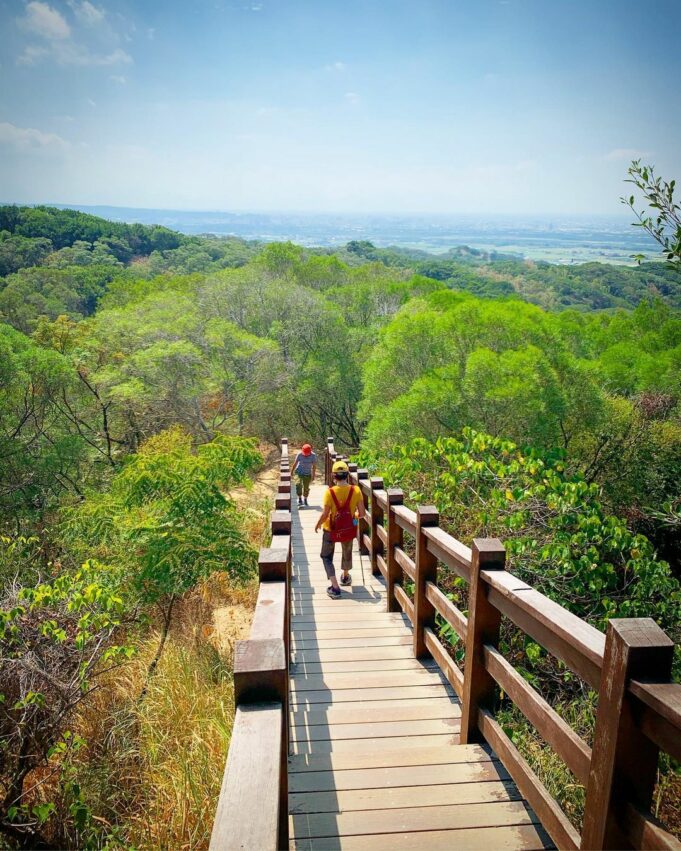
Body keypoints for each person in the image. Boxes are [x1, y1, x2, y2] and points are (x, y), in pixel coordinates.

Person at [314, 460, 366, 599]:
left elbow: (325, 514)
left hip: (330, 529)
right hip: (348, 527)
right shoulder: (356, 490)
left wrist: (318, 523)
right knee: (347, 551)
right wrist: (353, 516)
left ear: (333, 476)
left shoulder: (329, 492)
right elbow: (362, 514)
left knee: (326, 556)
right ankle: (345, 576)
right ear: (347, 475)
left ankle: (335, 587)